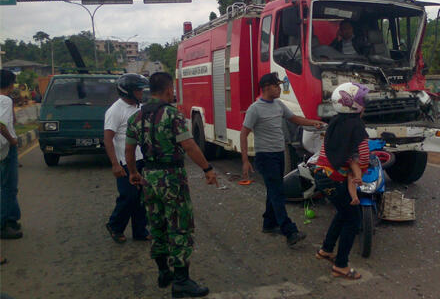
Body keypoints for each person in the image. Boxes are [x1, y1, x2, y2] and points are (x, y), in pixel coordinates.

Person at [125, 72, 218, 298]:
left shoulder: (136, 118)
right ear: (167, 90)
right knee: (180, 227)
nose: (173, 93)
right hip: (172, 178)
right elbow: (188, 145)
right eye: (172, 89)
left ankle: (163, 272)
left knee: (157, 225)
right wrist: (207, 169)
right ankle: (181, 281)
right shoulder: (173, 115)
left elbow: (129, 149)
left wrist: (134, 172)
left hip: (149, 177)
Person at [240, 72, 324, 246]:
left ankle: (269, 223)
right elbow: (244, 133)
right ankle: (289, 231)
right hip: (265, 156)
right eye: (277, 86)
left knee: (274, 190)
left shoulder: (278, 105)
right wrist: (245, 160)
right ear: (267, 87)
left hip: (278, 154)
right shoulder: (254, 109)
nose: (279, 89)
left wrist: (313, 122)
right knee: (278, 192)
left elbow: (295, 119)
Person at [312, 82, 370, 280]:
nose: (365, 104)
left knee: (343, 213)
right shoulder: (357, 128)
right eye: (363, 101)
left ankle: (327, 250)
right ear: (355, 104)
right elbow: (360, 160)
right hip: (334, 181)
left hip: (322, 176)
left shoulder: (336, 121)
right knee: (353, 219)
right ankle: (341, 265)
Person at [105, 73, 150, 244]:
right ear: (128, 91)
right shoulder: (115, 111)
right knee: (129, 196)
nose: (141, 92)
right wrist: (115, 164)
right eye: (138, 89)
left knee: (141, 197)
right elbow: (108, 138)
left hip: (139, 158)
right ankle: (115, 225)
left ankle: (140, 230)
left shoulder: (138, 107)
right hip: (124, 162)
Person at [0, 69, 22, 240]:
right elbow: (1, 124)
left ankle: (12, 217)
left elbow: (11, 121)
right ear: (10, 84)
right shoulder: (5, 100)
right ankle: (5, 223)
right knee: (9, 186)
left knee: (6, 185)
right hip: (6, 147)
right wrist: (12, 140)